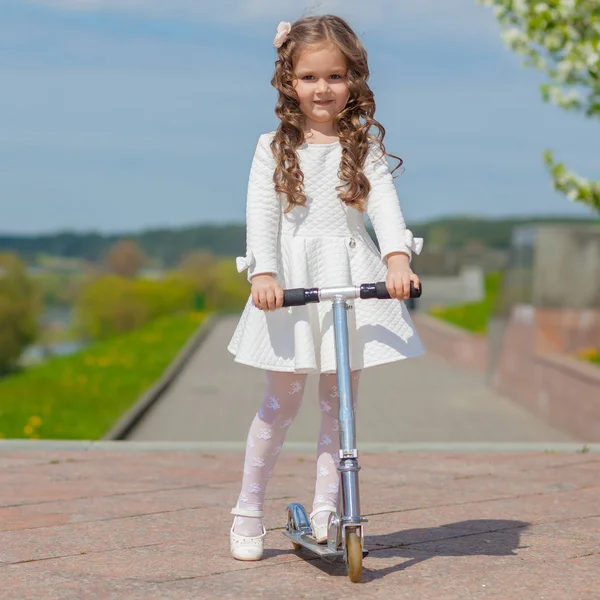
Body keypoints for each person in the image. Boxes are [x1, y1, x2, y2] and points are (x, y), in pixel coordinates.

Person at [227, 15, 426, 561]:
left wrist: (396, 259)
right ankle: (248, 507)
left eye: (335, 77)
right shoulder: (273, 146)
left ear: (353, 80)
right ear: (290, 80)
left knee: (341, 405)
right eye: (310, 77)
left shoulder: (363, 146)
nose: (323, 89)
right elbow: (262, 214)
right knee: (280, 401)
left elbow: (384, 207)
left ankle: (326, 509)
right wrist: (263, 273)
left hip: (350, 276)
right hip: (292, 282)